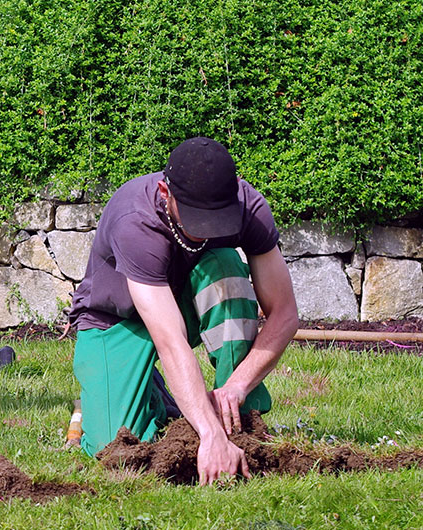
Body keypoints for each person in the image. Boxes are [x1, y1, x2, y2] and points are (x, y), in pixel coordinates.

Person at [67, 137, 298, 484]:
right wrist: (209, 436)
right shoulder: (136, 220)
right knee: (118, 447)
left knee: (225, 268)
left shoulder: (249, 207)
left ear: (236, 189)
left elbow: (284, 313)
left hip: (183, 303)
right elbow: (169, 339)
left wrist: (238, 385)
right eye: (195, 217)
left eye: (216, 218)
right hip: (116, 320)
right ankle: (156, 395)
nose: (206, 228)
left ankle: (241, 421)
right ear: (165, 192)